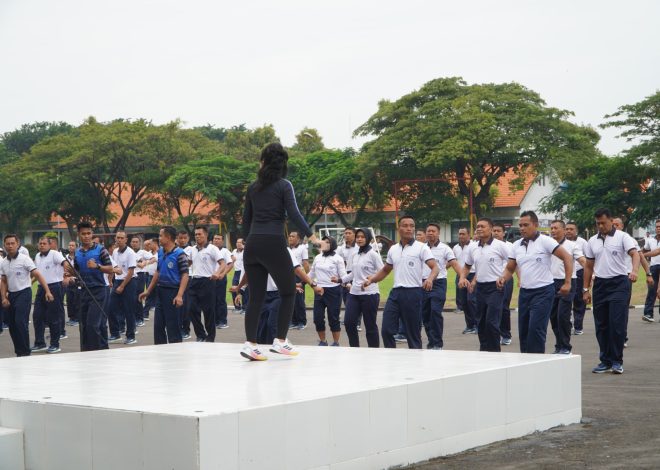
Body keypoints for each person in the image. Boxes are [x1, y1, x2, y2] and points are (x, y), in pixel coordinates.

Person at [240, 142, 319, 360]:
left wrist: (248, 244)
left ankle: (250, 344)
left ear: (263, 162)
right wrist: (312, 237)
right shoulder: (284, 185)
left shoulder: (253, 187)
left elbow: (246, 220)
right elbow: (293, 214)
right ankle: (281, 341)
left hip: (252, 244)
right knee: (288, 291)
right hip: (273, 241)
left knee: (256, 297)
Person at [497, 211, 573, 354]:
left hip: (543, 291)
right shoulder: (516, 245)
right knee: (524, 330)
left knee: (536, 329)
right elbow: (510, 268)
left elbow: (567, 258)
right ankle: (526, 361)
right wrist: (503, 278)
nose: (522, 228)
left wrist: (567, 282)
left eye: (526, 225)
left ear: (536, 225)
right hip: (525, 292)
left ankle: (537, 362)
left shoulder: (545, 241)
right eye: (520, 225)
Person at [363, 215, 439, 349]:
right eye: (405, 226)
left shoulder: (421, 248)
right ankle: (392, 359)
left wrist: (430, 279)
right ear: (399, 229)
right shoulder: (393, 249)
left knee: (412, 334)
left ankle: (416, 363)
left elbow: (435, 267)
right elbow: (386, 270)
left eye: (412, 226)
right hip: (396, 294)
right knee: (386, 331)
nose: (409, 229)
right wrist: (372, 280)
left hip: (413, 293)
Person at [583, 209, 640, 374]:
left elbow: (635, 254)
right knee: (601, 325)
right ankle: (605, 360)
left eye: (603, 223)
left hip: (619, 283)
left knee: (616, 324)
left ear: (611, 221)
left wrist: (634, 271)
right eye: (598, 223)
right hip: (600, 284)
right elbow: (588, 266)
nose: (600, 226)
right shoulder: (592, 241)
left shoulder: (623, 237)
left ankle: (617, 361)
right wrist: (585, 289)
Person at [460, 218, 511, 352]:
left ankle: (494, 351)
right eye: (478, 227)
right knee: (481, 321)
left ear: (490, 228)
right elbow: (467, 266)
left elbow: (512, 263)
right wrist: (462, 278)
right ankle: (484, 349)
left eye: (483, 226)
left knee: (491, 321)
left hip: (495, 288)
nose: (479, 229)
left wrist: (504, 277)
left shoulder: (500, 246)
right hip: (480, 288)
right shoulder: (473, 247)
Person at [1, 235, 55, 357]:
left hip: (24, 293)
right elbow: (3, 281)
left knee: (20, 322)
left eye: (12, 243)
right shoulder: (4, 262)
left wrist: (47, 291)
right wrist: (3, 297)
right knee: (12, 325)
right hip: (11, 295)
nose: (10, 246)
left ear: (17, 244)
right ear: (4, 245)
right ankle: (19, 352)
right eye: (7, 244)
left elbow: (38, 274)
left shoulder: (24, 259)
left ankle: (25, 352)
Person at [140, 226, 189, 344]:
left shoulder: (180, 254)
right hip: (160, 291)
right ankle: (160, 351)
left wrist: (179, 295)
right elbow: (158, 271)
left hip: (173, 292)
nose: (159, 238)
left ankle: (176, 352)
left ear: (168, 237)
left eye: (161, 236)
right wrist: (148, 290)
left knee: (173, 326)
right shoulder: (161, 252)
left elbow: (185, 275)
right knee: (158, 326)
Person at [69, 222, 115, 351]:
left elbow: (111, 268)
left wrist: (98, 266)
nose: (86, 236)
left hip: (99, 291)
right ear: (79, 235)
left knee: (93, 325)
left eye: (89, 233)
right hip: (84, 292)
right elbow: (77, 273)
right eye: (83, 234)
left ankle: (96, 354)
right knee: (83, 326)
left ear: (92, 234)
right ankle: (86, 351)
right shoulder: (77, 252)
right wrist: (70, 272)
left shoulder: (100, 250)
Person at [340, 228, 383, 348]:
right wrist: (340, 280)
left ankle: (373, 351)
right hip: (354, 294)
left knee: (370, 325)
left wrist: (371, 279)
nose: (359, 239)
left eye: (362, 237)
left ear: (368, 238)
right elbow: (353, 273)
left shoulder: (373, 254)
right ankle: (355, 349)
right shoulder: (354, 254)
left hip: (370, 294)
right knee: (349, 323)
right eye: (358, 236)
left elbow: (383, 272)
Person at [549, 220, 586, 354]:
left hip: (568, 282)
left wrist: (592, 272)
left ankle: (565, 346)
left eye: (556, 228)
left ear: (564, 230)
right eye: (551, 228)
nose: (553, 231)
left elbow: (582, 260)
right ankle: (559, 345)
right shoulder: (547, 244)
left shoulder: (572, 246)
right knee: (553, 317)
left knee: (562, 315)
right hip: (550, 283)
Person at [423, 223, 462, 350]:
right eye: (428, 231)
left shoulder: (445, 249)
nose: (430, 233)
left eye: (433, 231)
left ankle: (438, 343)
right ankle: (431, 341)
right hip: (423, 283)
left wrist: (462, 277)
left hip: (439, 283)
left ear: (438, 233)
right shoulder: (421, 248)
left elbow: (454, 264)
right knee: (426, 314)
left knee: (435, 311)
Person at [31, 237, 67, 354]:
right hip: (41, 288)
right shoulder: (37, 256)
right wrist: (30, 282)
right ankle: (40, 342)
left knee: (53, 317)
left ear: (49, 244)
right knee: (37, 315)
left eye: (44, 243)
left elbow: (65, 263)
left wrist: (66, 275)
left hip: (54, 287)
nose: (42, 245)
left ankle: (55, 344)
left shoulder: (54, 254)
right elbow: (38, 274)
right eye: (40, 243)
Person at [189, 226, 224, 342]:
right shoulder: (193, 249)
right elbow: (188, 263)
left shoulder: (212, 248)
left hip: (207, 281)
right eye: (196, 234)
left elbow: (223, 264)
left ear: (206, 235)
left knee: (208, 311)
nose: (197, 236)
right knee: (191, 309)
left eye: (200, 234)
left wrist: (217, 273)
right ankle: (200, 334)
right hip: (194, 281)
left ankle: (210, 337)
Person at [309, 236, 346, 346]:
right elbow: (311, 273)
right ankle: (323, 341)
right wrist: (301, 283)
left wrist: (346, 283)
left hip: (333, 291)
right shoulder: (318, 257)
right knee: (318, 318)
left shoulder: (338, 259)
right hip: (319, 290)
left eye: (327, 242)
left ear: (332, 244)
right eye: (323, 241)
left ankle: (336, 342)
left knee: (333, 318)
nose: (324, 243)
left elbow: (343, 275)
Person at [107, 231, 138, 345]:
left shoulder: (130, 253)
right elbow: (114, 267)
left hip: (129, 282)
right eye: (117, 238)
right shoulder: (115, 251)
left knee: (128, 310)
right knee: (110, 307)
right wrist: (111, 280)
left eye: (121, 238)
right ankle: (115, 333)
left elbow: (130, 271)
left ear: (126, 240)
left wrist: (122, 286)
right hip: (118, 281)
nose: (119, 240)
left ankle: (131, 336)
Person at [492, 223, 515, 345]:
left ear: (503, 233)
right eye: (494, 230)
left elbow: (515, 265)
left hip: (506, 279)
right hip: (491, 280)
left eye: (498, 231)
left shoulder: (510, 246)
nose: (496, 233)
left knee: (503, 307)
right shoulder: (488, 246)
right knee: (493, 307)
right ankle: (495, 333)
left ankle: (506, 334)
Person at [565, 222, 589, 335]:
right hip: (564, 275)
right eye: (567, 229)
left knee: (579, 300)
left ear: (576, 231)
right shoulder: (561, 243)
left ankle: (578, 326)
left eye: (571, 229)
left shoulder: (583, 242)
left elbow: (587, 259)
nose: (569, 231)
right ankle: (567, 325)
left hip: (579, 273)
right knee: (566, 300)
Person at [453, 227, 478, 334]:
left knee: (471, 301)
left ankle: (477, 325)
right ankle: (470, 325)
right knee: (463, 302)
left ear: (469, 235)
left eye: (463, 234)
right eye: (459, 234)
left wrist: (475, 279)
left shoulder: (474, 246)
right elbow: (453, 262)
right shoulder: (455, 248)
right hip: (461, 275)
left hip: (472, 275)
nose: (461, 236)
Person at [288, 231, 310, 330]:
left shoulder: (303, 248)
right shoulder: (287, 249)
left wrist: (305, 279)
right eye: (289, 236)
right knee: (290, 300)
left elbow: (305, 264)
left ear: (298, 239)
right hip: (289, 276)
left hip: (299, 276)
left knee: (299, 300)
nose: (290, 238)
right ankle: (293, 321)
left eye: (293, 236)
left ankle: (302, 321)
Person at [212, 234, 233, 329]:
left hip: (220, 279)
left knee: (220, 300)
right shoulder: (210, 250)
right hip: (211, 279)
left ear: (222, 241)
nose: (216, 240)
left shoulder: (225, 251)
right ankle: (215, 320)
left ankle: (222, 321)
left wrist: (223, 274)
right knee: (212, 300)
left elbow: (230, 264)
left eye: (218, 239)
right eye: (215, 239)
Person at [176, 230, 193, 339]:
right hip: (176, 279)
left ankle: (186, 329)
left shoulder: (191, 250)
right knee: (176, 305)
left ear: (188, 238)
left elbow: (190, 262)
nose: (182, 240)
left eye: (184, 238)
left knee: (186, 305)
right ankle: (177, 327)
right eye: (180, 238)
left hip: (187, 278)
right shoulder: (175, 249)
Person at [643, 220, 660, 321]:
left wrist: (642, 255)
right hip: (653, 266)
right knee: (651, 290)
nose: (658, 228)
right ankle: (648, 313)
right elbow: (644, 249)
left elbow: (657, 252)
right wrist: (639, 253)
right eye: (657, 226)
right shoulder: (650, 240)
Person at [131, 235, 150, 327]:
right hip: (132, 276)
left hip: (141, 275)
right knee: (132, 298)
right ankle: (134, 318)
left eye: (136, 242)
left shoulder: (143, 252)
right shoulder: (129, 252)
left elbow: (153, 258)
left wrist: (145, 263)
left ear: (139, 243)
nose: (134, 243)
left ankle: (140, 318)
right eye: (133, 242)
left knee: (138, 297)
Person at [64, 241, 80, 327]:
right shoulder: (66, 257)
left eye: (73, 245)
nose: (70, 247)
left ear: (76, 247)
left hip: (77, 281)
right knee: (69, 299)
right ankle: (71, 318)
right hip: (69, 280)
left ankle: (77, 318)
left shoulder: (78, 257)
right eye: (69, 245)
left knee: (76, 300)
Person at [231, 238, 247, 312]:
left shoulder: (246, 251)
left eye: (240, 242)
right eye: (237, 242)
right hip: (236, 272)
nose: (238, 244)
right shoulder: (234, 251)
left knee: (243, 290)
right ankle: (237, 307)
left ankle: (245, 308)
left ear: (243, 243)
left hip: (243, 272)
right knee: (234, 288)